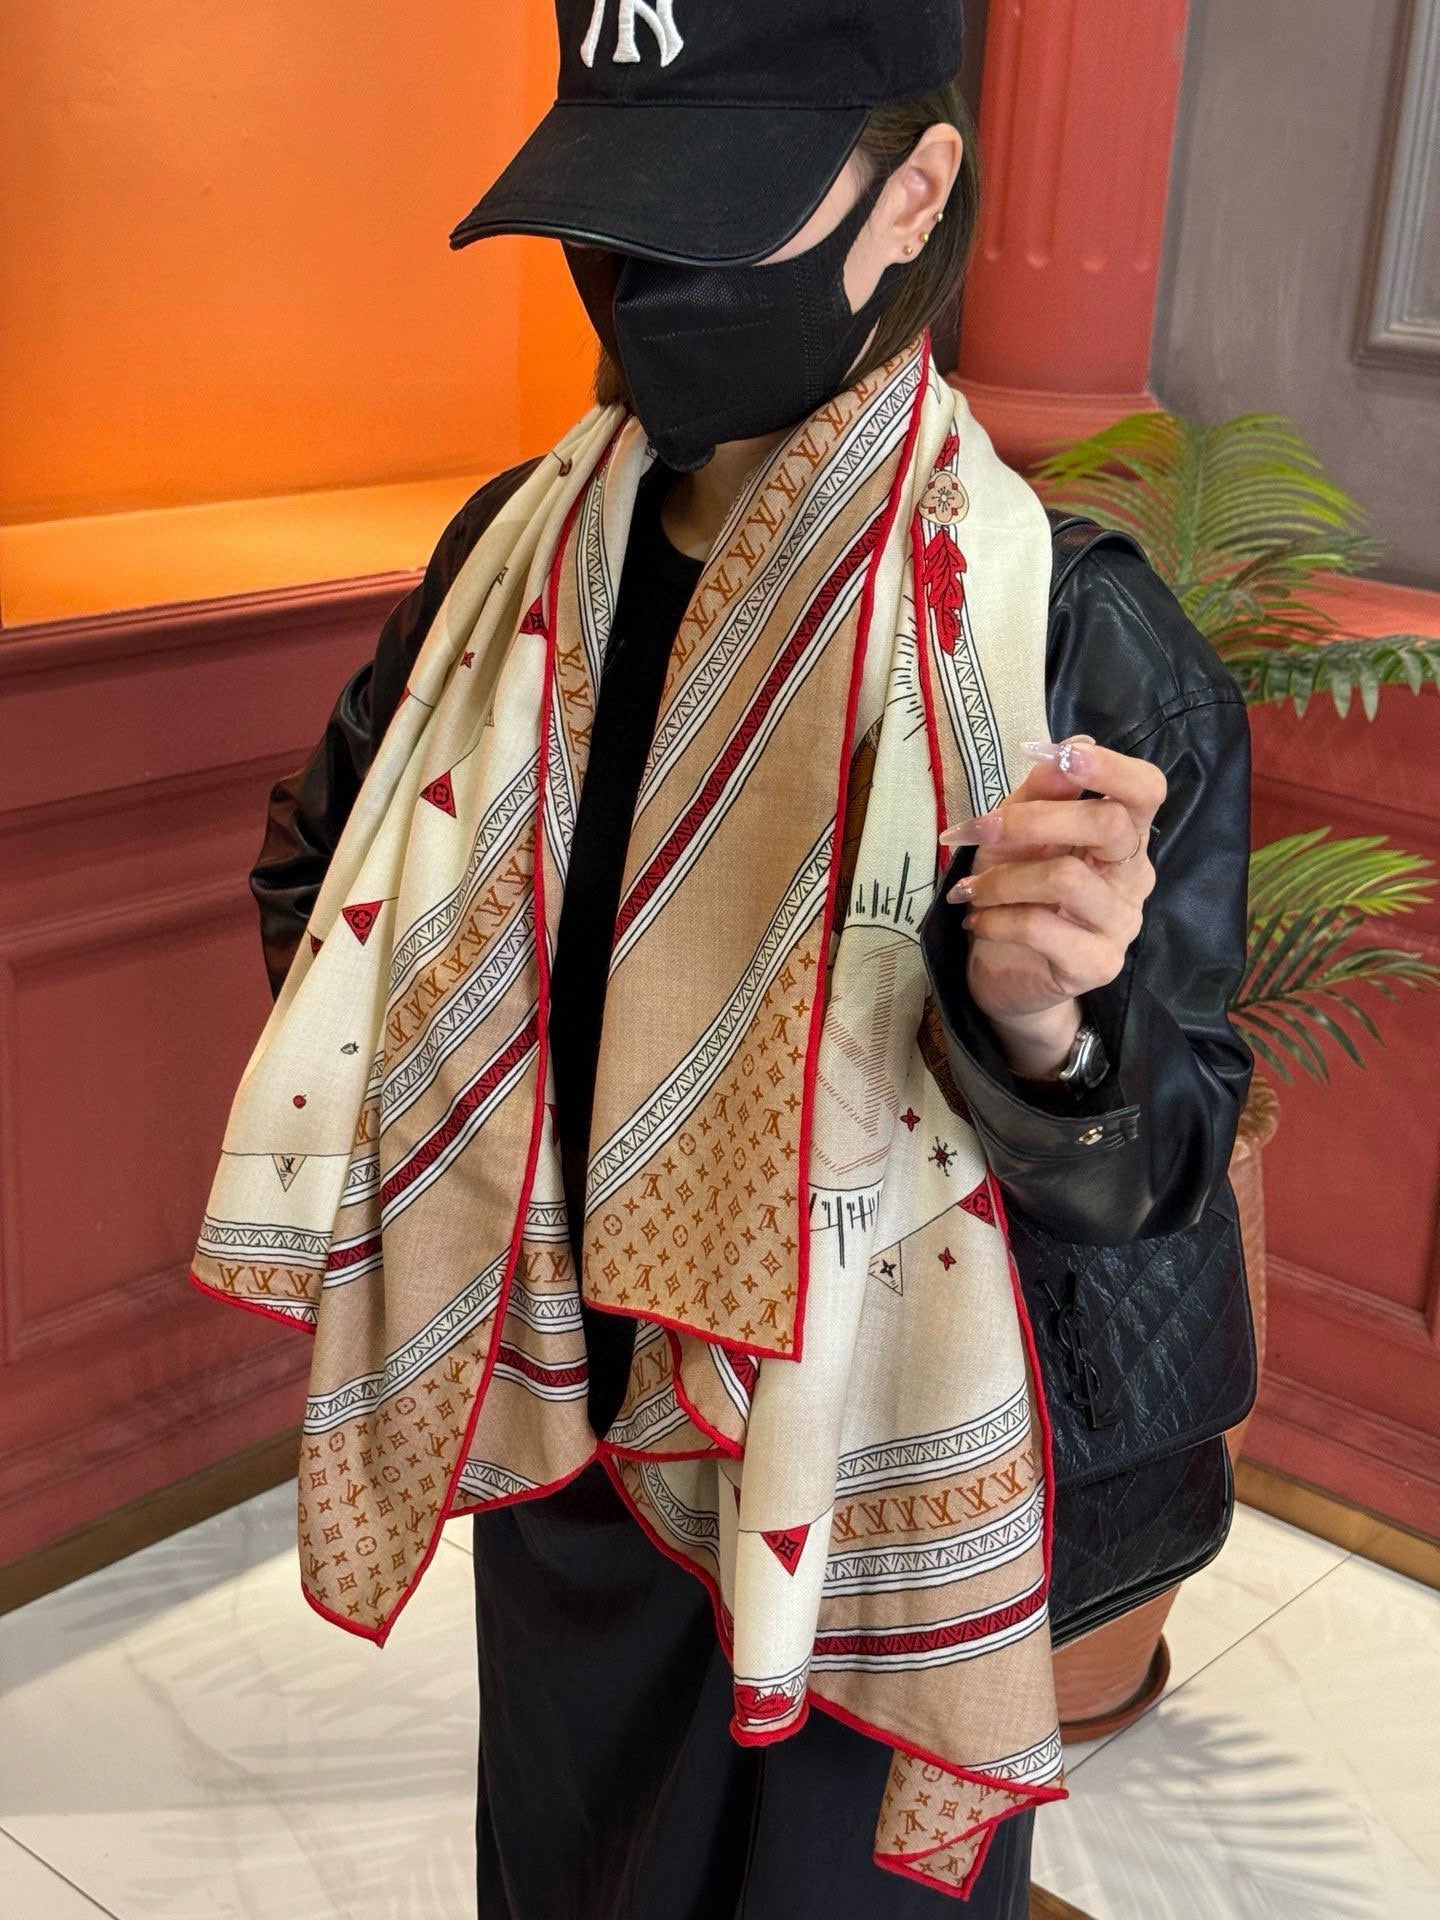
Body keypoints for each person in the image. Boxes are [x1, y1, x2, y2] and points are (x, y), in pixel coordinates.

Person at [220, 2, 1254, 1914]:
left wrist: (1046, 1028)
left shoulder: (1062, 637)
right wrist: (466, 1130)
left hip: (865, 1493)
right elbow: (323, 873)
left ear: (913, 192)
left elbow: (1169, 1161)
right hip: (561, 1445)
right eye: (613, 216)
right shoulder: (517, 568)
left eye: (712, 210)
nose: (647, 278)